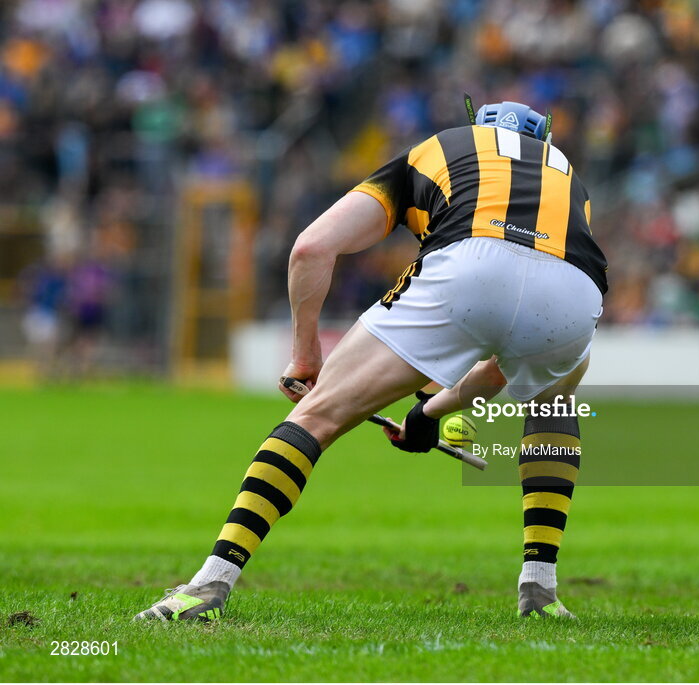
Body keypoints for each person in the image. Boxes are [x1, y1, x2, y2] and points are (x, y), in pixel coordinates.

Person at [134, 99, 608, 622]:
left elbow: (310, 249)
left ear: (477, 127)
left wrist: (305, 357)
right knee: (552, 405)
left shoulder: (439, 148)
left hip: (468, 263)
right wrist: (426, 414)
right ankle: (540, 589)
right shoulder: (569, 179)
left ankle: (209, 586)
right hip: (575, 293)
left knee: (315, 419)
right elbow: (505, 358)